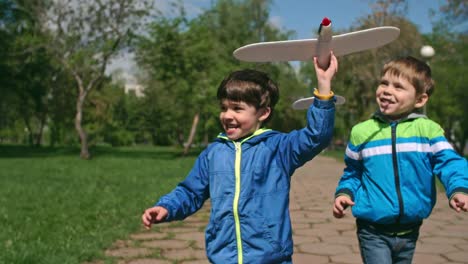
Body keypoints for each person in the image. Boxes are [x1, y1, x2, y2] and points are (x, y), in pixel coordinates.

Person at [142, 54, 339, 263]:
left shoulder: (278, 148)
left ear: (263, 113)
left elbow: (317, 136)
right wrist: (167, 207)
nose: (227, 115)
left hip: (269, 257)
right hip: (224, 256)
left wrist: (324, 85)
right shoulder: (213, 153)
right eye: (224, 108)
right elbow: (191, 191)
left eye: (237, 108)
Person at [333, 56, 468, 264]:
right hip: (372, 229)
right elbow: (353, 172)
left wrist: (458, 188)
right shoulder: (362, 132)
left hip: (410, 229)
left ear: (420, 99)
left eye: (398, 87)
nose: (387, 90)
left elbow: (449, 162)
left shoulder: (427, 130)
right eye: (384, 83)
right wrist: (344, 192)